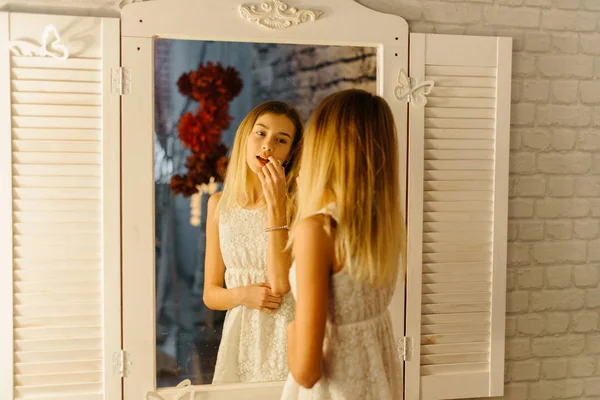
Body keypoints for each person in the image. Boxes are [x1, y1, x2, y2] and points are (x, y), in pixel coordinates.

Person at [282, 89, 404, 399]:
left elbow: (307, 373)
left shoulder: (318, 231)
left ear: (323, 148)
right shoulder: (383, 227)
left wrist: (292, 333)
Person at [203, 101, 303, 384]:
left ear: (290, 153)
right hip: (239, 337)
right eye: (260, 133)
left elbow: (280, 283)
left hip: (286, 334)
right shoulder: (218, 205)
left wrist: (276, 204)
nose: (267, 146)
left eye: (281, 140)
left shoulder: (298, 204)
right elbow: (210, 294)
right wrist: (242, 295)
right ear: (245, 136)